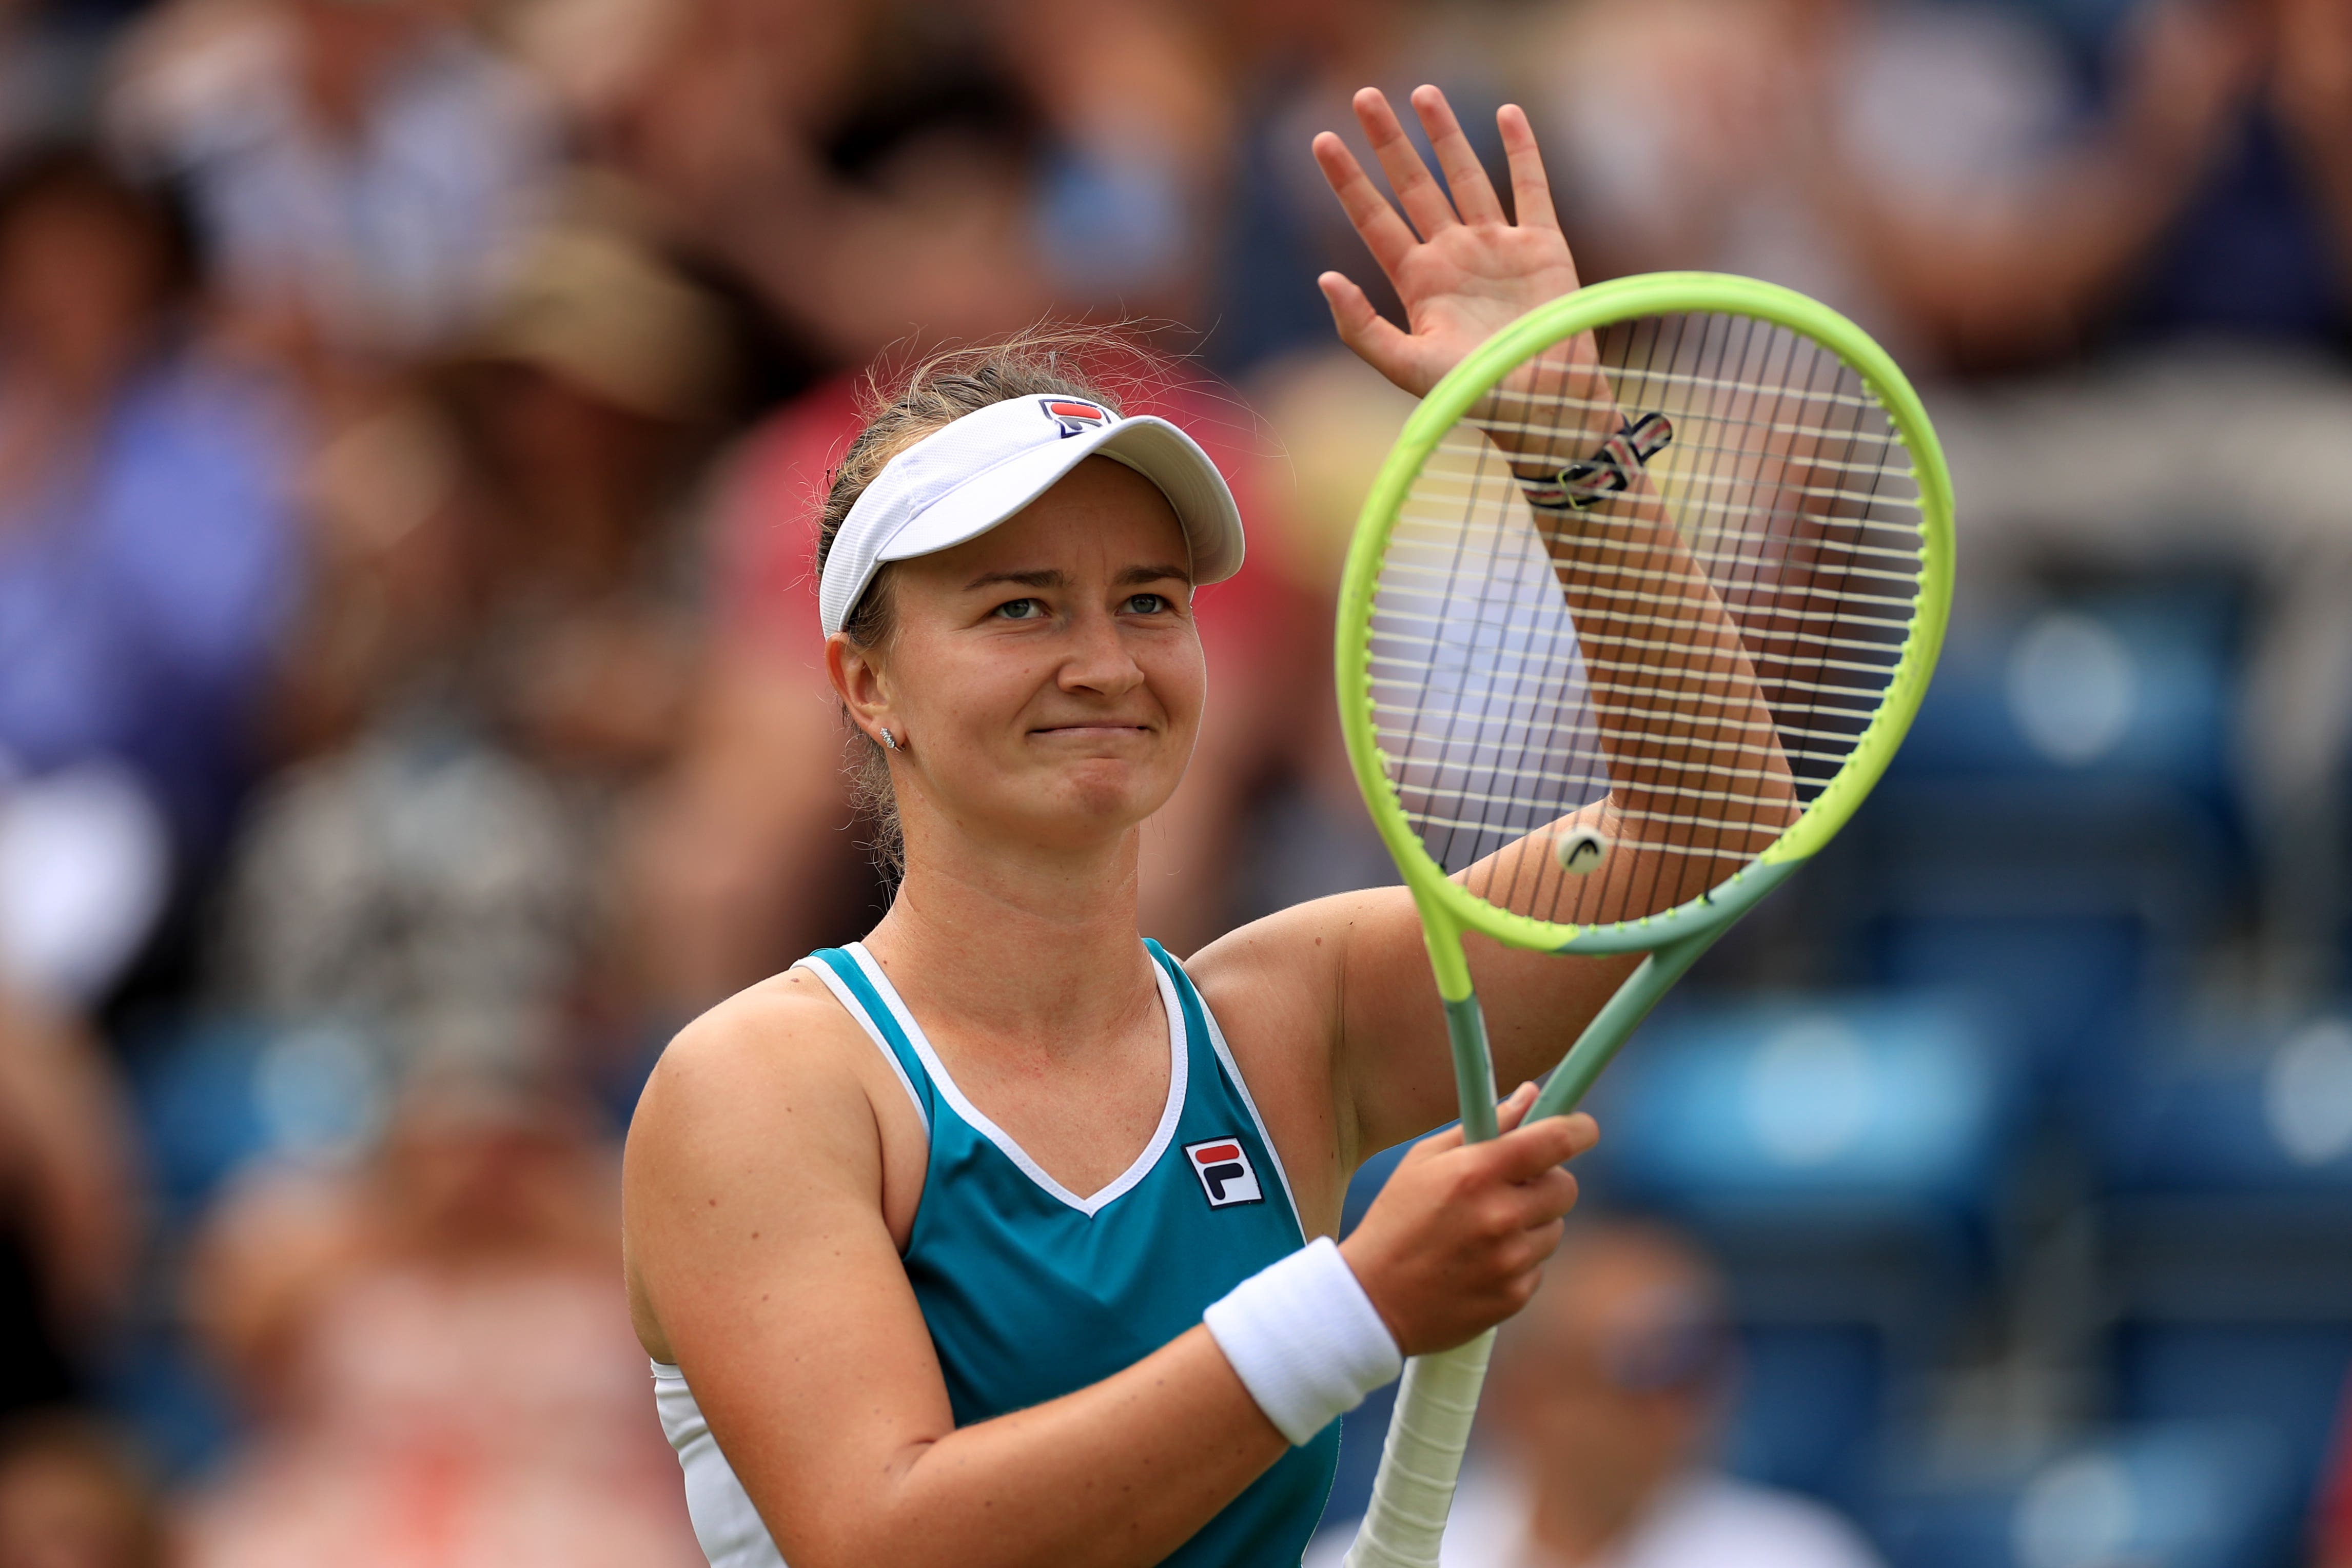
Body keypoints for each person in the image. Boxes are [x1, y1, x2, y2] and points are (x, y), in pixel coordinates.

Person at [622, 85, 1777, 1567]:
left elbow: (1712, 825)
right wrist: (1351, 1309)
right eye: (1019, 606)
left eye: (1150, 603)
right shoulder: (762, 1086)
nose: (1106, 661)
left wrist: (1565, 429)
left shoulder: (1292, 1020)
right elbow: (886, 1539)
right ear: (866, 682)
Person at [1308, 1220, 1887, 1568]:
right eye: (1646, 1364)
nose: (1682, 1399)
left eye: (1701, 1357)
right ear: (1530, 1394)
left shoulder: (1797, 1555)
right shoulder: (1373, 1557)